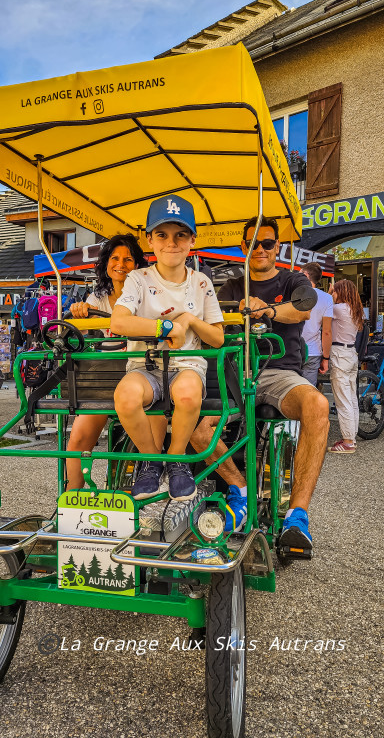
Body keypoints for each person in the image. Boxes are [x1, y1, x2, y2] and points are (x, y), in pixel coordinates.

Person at [190, 216, 329, 553]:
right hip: (236, 373)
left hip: (279, 372)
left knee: (317, 405)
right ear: (244, 247)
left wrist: (267, 310)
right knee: (196, 426)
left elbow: (303, 310)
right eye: (254, 244)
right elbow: (214, 324)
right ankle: (240, 492)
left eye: (267, 243)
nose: (261, 250)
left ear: (277, 247)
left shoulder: (293, 279)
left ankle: (297, 515)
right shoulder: (232, 287)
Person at [111, 196, 224, 502]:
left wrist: (190, 320)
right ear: (150, 240)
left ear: (192, 241)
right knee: (125, 396)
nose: (171, 243)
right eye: (162, 235)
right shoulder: (138, 278)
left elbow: (218, 338)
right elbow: (118, 322)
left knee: (187, 393)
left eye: (180, 235)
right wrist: (167, 327)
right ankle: (152, 459)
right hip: (145, 365)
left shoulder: (201, 282)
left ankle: (176, 457)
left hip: (187, 365)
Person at [64, 234, 147, 490]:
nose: (121, 264)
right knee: (78, 440)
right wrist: (79, 314)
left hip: (143, 374)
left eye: (128, 259)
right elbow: (79, 334)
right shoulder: (97, 298)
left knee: (152, 436)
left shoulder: (148, 296)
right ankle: (70, 499)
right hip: (107, 377)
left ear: (137, 265)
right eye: (115, 258)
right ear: (106, 264)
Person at [328, 279, 364, 454]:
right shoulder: (356, 309)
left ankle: (348, 442)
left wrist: (328, 294)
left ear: (341, 292)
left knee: (342, 400)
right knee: (351, 398)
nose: (333, 294)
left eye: (335, 291)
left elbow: (321, 308)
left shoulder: (339, 309)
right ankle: (351, 437)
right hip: (351, 353)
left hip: (339, 354)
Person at [300, 262, 333, 385]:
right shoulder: (327, 298)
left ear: (305, 275)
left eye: (299, 274)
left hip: (292, 349)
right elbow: (326, 332)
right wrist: (326, 358)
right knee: (309, 390)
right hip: (313, 351)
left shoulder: (293, 294)